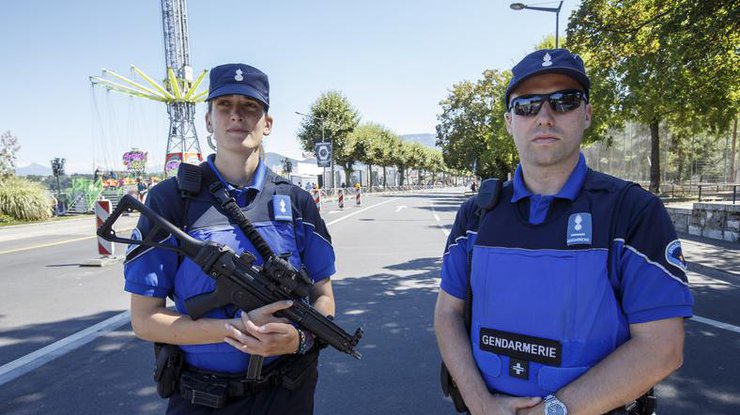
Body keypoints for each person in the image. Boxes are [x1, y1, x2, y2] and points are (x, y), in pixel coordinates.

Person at [434, 49, 693, 415]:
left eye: (564, 101)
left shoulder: (633, 212)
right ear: (510, 121)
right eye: (526, 105)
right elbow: (447, 314)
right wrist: (481, 404)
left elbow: (662, 347)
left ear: (586, 114)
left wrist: (551, 411)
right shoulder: (477, 215)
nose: (544, 117)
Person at [124, 63, 337, 414]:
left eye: (250, 106)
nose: (236, 115)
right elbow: (145, 320)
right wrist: (233, 329)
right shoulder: (170, 201)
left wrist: (299, 338)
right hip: (202, 398)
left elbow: (324, 297)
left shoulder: (296, 201)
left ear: (267, 124)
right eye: (224, 105)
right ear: (208, 120)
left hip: (288, 394)